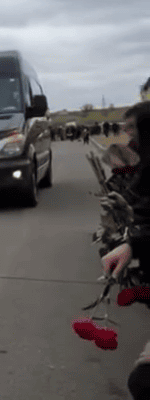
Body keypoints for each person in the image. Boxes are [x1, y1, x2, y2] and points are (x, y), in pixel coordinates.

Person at [97, 102, 150, 398]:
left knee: (142, 382)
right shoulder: (136, 160)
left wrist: (133, 235)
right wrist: (131, 239)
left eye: (132, 128)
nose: (127, 135)